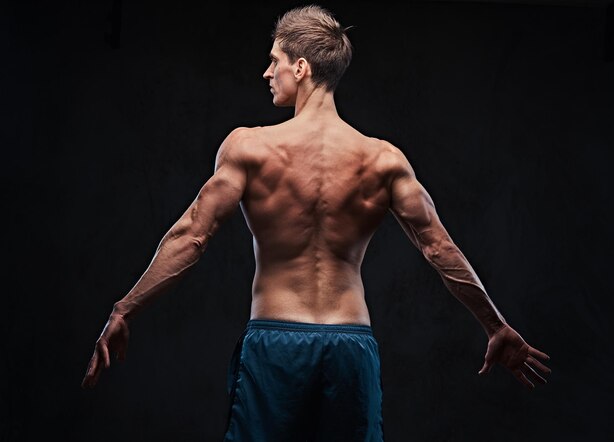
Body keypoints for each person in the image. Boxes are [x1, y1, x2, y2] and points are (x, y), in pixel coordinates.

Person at [81, 5, 551, 441]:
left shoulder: (251, 148)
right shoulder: (382, 159)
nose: (268, 73)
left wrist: (125, 310)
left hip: (275, 343)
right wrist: (495, 325)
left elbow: (193, 235)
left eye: (275, 60)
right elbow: (438, 248)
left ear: (301, 67)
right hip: (351, 345)